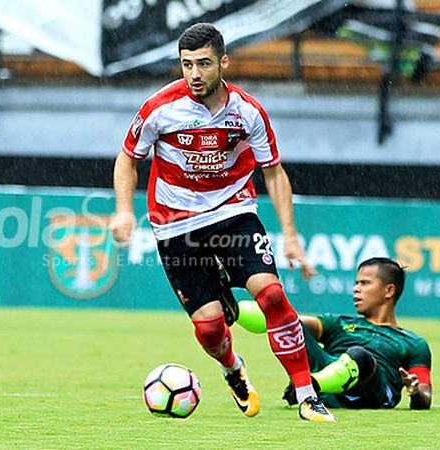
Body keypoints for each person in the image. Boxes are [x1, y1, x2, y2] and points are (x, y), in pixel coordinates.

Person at [109, 23, 335, 422]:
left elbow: (274, 171)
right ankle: (233, 369)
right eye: (187, 65)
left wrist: (292, 236)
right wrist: (124, 210)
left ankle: (306, 393)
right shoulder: (159, 108)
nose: (194, 74)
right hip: (175, 224)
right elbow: (128, 157)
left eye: (204, 64)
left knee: (271, 295)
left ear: (223, 62)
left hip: (233, 213)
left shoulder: (248, 111)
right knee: (211, 328)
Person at [236, 257, 433, 410]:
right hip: (330, 383)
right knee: (289, 322)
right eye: (356, 283)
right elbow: (290, 321)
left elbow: (425, 398)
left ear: (389, 290)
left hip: (371, 394)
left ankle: (310, 387)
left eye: (364, 283)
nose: (356, 289)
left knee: (360, 355)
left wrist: (415, 392)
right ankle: (232, 312)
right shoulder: (340, 323)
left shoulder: (413, 343)